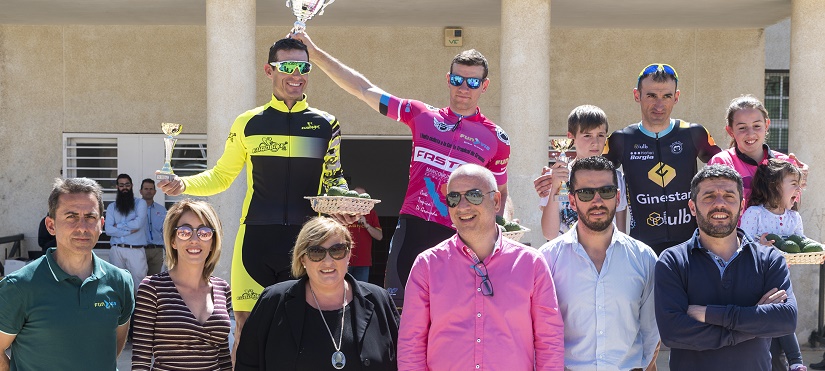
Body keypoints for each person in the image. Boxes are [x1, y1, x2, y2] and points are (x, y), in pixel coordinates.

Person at [291, 32, 511, 307]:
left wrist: (497, 239)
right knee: (399, 313)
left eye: (473, 82)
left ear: (484, 85)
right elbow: (363, 89)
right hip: (411, 229)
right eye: (457, 80)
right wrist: (314, 52)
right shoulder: (422, 115)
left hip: (459, 234)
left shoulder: (496, 139)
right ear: (448, 79)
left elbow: (500, 194)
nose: (463, 88)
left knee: (456, 318)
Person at [156, 37, 353, 343]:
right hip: (255, 241)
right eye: (287, 66)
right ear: (268, 70)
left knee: (305, 331)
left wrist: (346, 203)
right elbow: (222, 175)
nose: (296, 74)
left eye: (304, 67)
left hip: (306, 243)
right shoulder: (248, 122)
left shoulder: (327, 124)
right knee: (247, 330)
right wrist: (183, 184)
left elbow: (334, 179)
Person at [398, 164, 564, 370]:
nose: (462, 206)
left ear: (496, 201)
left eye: (474, 195)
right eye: (454, 198)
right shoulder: (427, 265)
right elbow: (411, 343)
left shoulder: (531, 263)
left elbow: (549, 340)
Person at [655, 165, 798, 371]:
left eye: (729, 196)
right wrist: (752, 325)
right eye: (709, 197)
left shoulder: (769, 259)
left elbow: (785, 320)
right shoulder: (673, 261)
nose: (720, 204)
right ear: (693, 207)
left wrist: (709, 314)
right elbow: (673, 333)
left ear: (742, 206)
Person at [0, 178, 134, 370]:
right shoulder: (19, 286)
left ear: (101, 224)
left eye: (90, 217)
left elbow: (111, 349)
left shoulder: (120, 281)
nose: (82, 227)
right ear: (51, 225)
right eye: (71, 216)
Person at [539, 156, 659, 370]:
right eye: (586, 193)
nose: (597, 201)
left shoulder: (644, 258)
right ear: (572, 201)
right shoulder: (548, 259)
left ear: (618, 197)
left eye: (606, 191)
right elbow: (540, 331)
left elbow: (651, 330)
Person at [235, 216, 400, 370]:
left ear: (348, 254)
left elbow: (403, 359)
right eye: (316, 252)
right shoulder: (273, 301)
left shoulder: (379, 300)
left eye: (337, 250)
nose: (328, 261)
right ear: (302, 259)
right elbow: (247, 363)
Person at [603, 63, 721, 255]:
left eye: (666, 96)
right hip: (642, 248)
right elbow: (592, 173)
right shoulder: (622, 139)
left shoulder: (693, 133)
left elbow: (728, 167)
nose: (659, 105)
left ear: (676, 97)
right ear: (637, 95)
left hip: (691, 246)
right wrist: (561, 176)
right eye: (651, 95)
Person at [132, 199, 232, 371]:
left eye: (204, 232)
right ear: (173, 241)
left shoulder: (223, 289)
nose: (194, 239)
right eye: (185, 232)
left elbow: (223, 358)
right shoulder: (152, 288)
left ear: (213, 242)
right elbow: (141, 360)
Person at [739, 159, 807, 371]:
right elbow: (742, 245)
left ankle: (795, 363)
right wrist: (758, 245)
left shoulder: (794, 217)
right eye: (794, 184)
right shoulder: (755, 213)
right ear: (775, 186)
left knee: (785, 315)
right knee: (775, 321)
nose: (799, 189)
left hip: (782, 278)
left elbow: (800, 244)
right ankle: (794, 362)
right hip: (756, 280)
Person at [534, 105, 628, 239]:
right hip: (566, 250)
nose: (595, 142)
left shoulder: (616, 178)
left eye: (601, 135)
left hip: (605, 250)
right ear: (571, 137)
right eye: (587, 135)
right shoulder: (556, 177)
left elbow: (620, 231)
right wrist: (555, 187)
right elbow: (549, 234)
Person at [708, 95, 808, 202]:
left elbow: (790, 206)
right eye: (742, 128)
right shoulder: (721, 162)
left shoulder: (784, 164)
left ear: (766, 125)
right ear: (730, 131)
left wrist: (799, 180)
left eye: (756, 126)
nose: (750, 134)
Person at [105, 173, 149, 291]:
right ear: (117, 187)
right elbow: (108, 230)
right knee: (116, 284)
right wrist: (129, 231)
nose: (124, 188)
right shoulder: (112, 207)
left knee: (139, 285)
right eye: (121, 185)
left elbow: (138, 224)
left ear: (132, 185)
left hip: (135, 250)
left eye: (127, 185)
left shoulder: (141, 203)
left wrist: (118, 226)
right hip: (116, 250)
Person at [346, 186, 383, 282]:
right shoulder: (343, 212)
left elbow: (379, 236)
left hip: (363, 262)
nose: (359, 201)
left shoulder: (371, 213)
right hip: (344, 260)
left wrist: (366, 225)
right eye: (356, 197)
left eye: (362, 197)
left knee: (361, 290)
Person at [140, 178, 167, 275]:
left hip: (157, 250)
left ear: (155, 191)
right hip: (140, 250)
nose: (148, 191)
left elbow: (165, 231)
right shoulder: (134, 209)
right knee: (139, 278)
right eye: (146, 189)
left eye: (151, 189)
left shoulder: (161, 210)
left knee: (154, 279)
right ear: (141, 191)